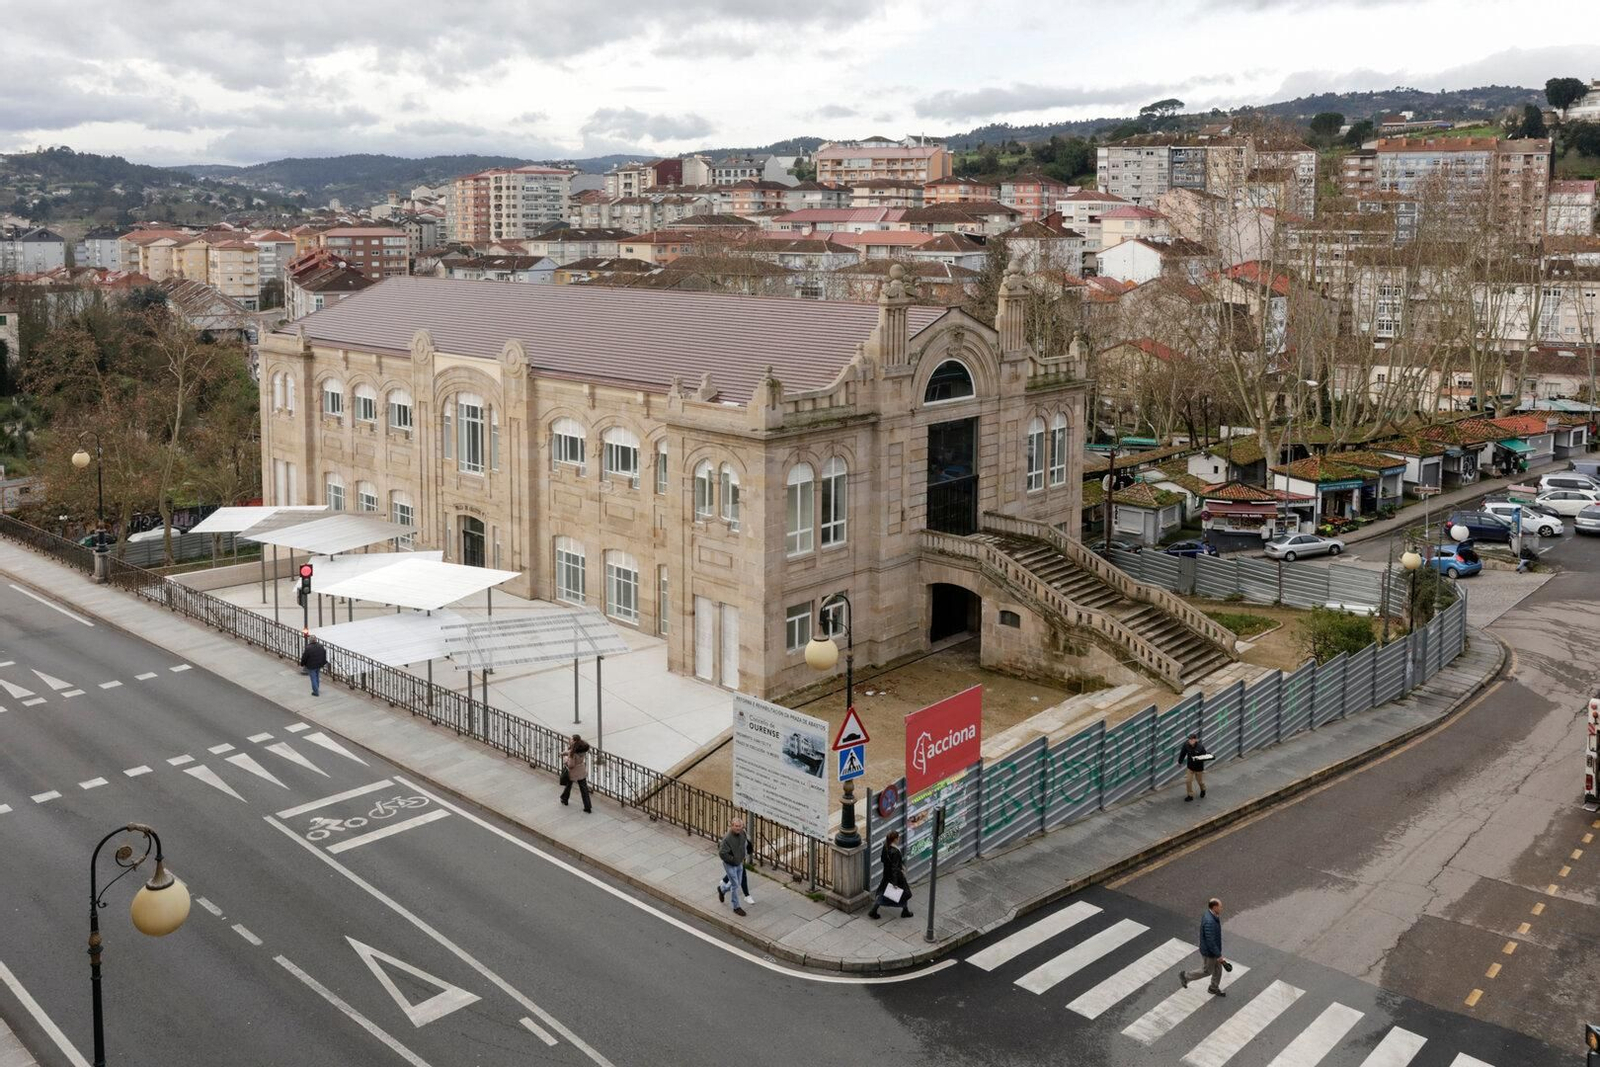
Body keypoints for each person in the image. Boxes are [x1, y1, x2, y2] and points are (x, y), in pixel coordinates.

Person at [1179, 898, 1228, 996]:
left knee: (1218, 969)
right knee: (1207, 971)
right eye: (1220, 906)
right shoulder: (1210, 921)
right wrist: (1218, 955)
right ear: (1214, 907)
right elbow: (1210, 941)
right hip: (1210, 952)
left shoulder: (1211, 915)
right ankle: (1186, 976)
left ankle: (1213, 988)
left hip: (1213, 950)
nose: (1221, 908)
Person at [868, 830, 913, 920]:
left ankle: (874, 910)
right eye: (898, 838)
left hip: (887, 875)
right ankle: (905, 911)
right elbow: (895, 868)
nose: (899, 839)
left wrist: (900, 865)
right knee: (905, 893)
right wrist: (895, 883)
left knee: (884, 892)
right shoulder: (895, 851)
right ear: (895, 839)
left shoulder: (886, 847)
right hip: (896, 877)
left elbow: (883, 859)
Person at [717, 818, 750, 917]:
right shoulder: (727, 838)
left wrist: (743, 856)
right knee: (735, 885)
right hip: (730, 864)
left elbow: (744, 844)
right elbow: (722, 853)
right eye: (736, 826)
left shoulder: (743, 833)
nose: (738, 828)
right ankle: (736, 907)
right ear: (732, 826)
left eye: (740, 826)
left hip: (739, 862)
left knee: (737, 883)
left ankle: (722, 890)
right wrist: (733, 859)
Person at [560, 734, 592, 813]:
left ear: (574, 741)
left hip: (573, 772)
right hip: (581, 771)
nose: (569, 740)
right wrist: (565, 753)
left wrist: (565, 759)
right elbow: (570, 752)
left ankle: (564, 799)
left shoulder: (572, 753)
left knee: (568, 786)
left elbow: (571, 765)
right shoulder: (582, 749)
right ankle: (587, 806)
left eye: (571, 739)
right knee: (584, 789)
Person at [1177, 732, 1208, 801]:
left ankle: (1203, 789)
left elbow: (1205, 756)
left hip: (1198, 768)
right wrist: (1180, 762)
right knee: (1188, 781)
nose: (1190, 741)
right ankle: (1190, 795)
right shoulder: (1186, 745)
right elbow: (1183, 753)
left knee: (1200, 782)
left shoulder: (1200, 747)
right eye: (1189, 739)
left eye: (1192, 739)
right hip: (1190, 767)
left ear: (1195, 740)